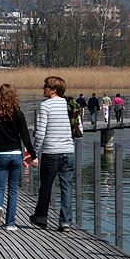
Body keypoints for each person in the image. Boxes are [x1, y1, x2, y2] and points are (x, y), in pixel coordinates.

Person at [0, 84, 37, 231]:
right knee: (13, 189)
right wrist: (33, 155)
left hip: (0, 154)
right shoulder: (18, 114)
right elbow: (26, 138)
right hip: (15, 154)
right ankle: (10, 223)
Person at [30, 75, 76, 232]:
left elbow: (41, 133)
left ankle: (41, 218)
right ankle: (65, 222)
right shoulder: (70, 104)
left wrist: (33, 152)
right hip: (68, 152)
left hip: (51, 152)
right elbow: (79, 129)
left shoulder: (46, 106)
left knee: (46, 186)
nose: (43, 88)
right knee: (67, 187)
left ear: (53, 90)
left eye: (46, 86)